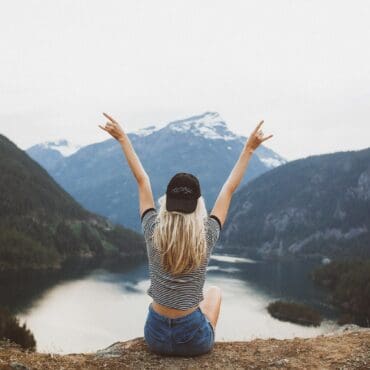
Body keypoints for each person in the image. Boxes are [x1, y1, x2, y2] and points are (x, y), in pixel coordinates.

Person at [98, 113, 273, 356]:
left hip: (155, 336)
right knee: (214, 293)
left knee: (189, 302)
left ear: (166, 203)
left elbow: (142, 180)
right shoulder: (206, 236)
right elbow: (228, 189)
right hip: (194, 341)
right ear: (198, 205)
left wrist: (123, 139)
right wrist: (249, 150)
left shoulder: (152, 230)